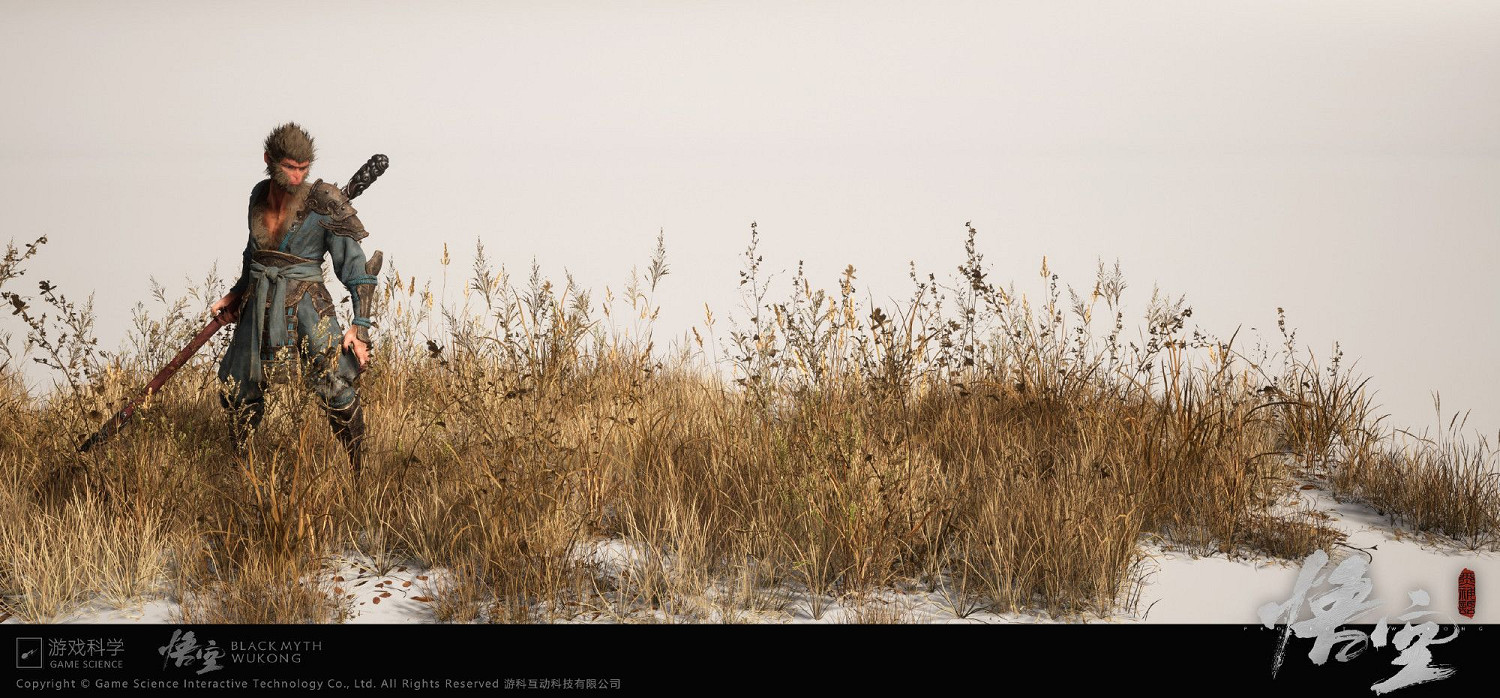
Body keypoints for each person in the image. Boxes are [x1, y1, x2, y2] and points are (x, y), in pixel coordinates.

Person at [209, 122, 379, 471]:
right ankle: (241, 472)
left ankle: (358, 471)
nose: (297, 176)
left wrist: (360, 328)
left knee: (336, 385)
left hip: (307, 305)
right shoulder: (258, 196)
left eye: (303, 168)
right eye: (290, 167)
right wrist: (236, 294)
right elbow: (253, 253)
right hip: (258, 301)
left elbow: (358, 269)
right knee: (240, 389)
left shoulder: (325, 200)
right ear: (269, 160)